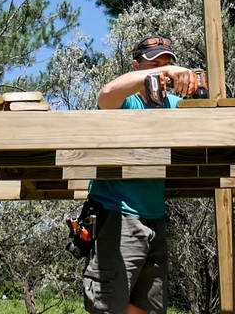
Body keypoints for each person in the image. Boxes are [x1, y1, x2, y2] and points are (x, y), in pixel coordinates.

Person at [83, 35, 197, 314]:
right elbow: (106, 95)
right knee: (107, 306)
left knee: (147, 308)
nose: (162, 72)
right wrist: (163, 72)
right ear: (136, 67)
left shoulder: (173, 105)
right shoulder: (128, 101)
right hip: (117, 215)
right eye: (153, 65)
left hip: (154, 217)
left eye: (167, 64)